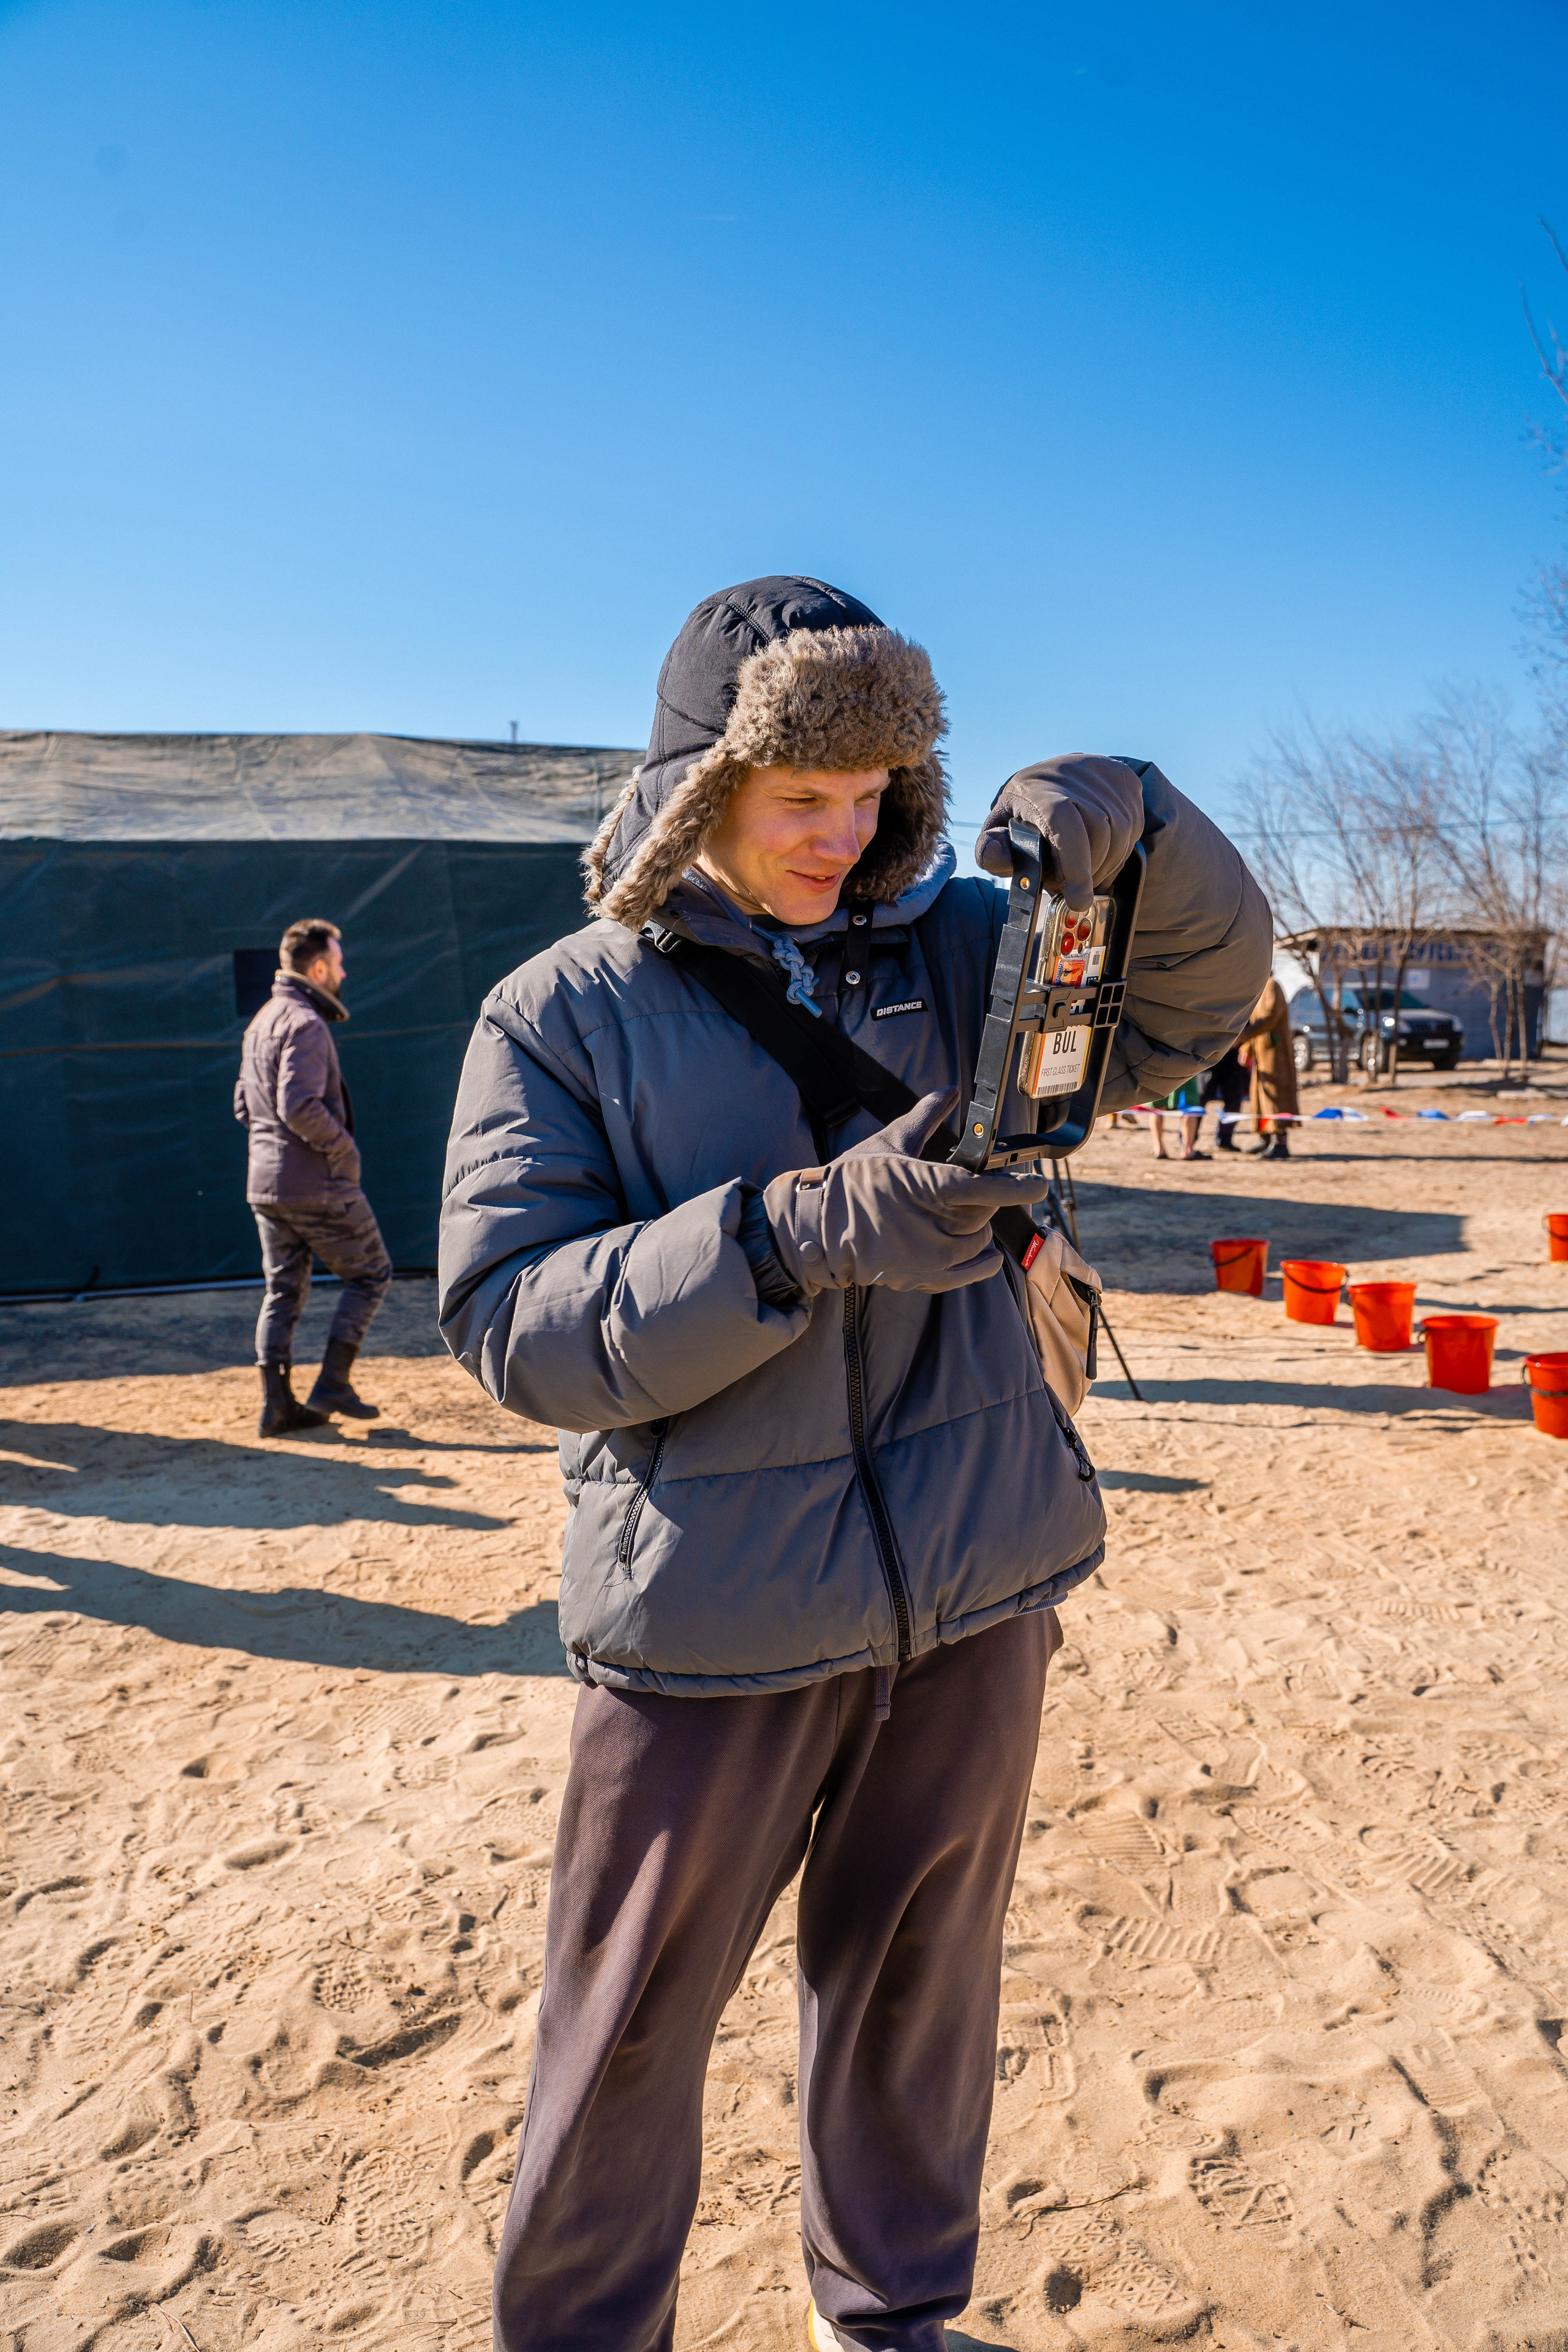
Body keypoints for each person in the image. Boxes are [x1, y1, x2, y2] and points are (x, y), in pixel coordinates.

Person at [438, 576, 1269, 2352]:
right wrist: (805, 1235)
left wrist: (1144, 815)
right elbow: (512, 1319)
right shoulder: (560, 1013)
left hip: (975, 1582)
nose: (847, 834)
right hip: (708, 1615)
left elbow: (1198, 1005)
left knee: (917, 1990)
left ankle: (889, 2315)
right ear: (697, 788)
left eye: (880, 790)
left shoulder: (978, 944)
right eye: (800, 797)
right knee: (629, 2027)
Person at [235, 918, 392, 1436]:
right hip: (317, 1185)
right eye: (340, 964)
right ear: (319, 967)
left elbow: (244, 1104)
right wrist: (342, 1150)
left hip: (266, 1184)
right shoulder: (305, 1023)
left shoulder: (263, 1019)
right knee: (371, 1274)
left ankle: (277, 1407)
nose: (343, 973)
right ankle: (332, 1385)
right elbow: (296, 1104)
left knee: (283, 1291)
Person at [1237, 972, 1298, 1159]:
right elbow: (1254, 1020)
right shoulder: (1258, 989)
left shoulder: (1272, 986)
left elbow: (1270, 1017)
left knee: (1276, 1097)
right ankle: (1264, 1138)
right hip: (1261, 1055)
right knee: (1260, 1096)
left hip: (1275, 1055)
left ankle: (1280, 1143)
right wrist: (1247, 1047)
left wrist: (1245, 1036)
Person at [1202, 1038, 1250, 1150]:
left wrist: (1240, 1037)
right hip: (1209, 1056)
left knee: (1234, 1102)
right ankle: (1188, 1142)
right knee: (1199, 1101)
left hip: (1233, 1059)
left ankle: (1225, 1140)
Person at [1149, 1077, 1207, 1160]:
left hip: (1158, 1069)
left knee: (1157, 1106)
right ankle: (1188, 1150)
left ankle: (1158, 1149)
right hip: (1183, 1068)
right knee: (1189, 1107)